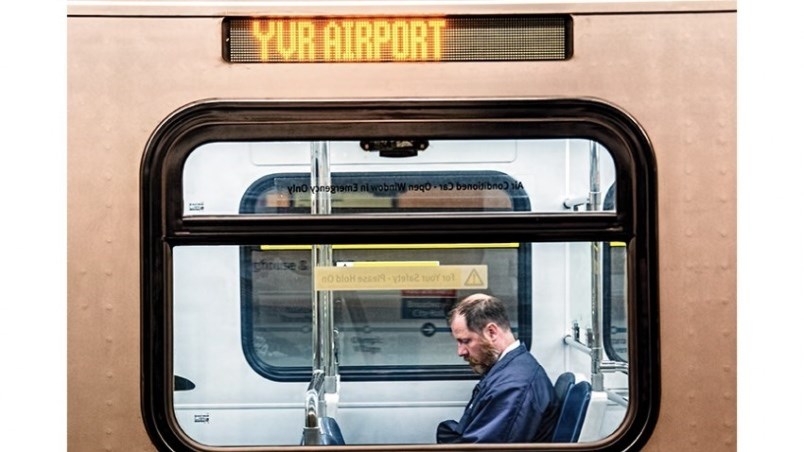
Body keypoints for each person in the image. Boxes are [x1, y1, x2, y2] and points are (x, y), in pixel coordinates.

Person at [436, 293, 559, 443]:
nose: (460, 351)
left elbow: (483, 449)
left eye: (466, 341)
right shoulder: (507, 371)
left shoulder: (513, 387)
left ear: (491, 332)